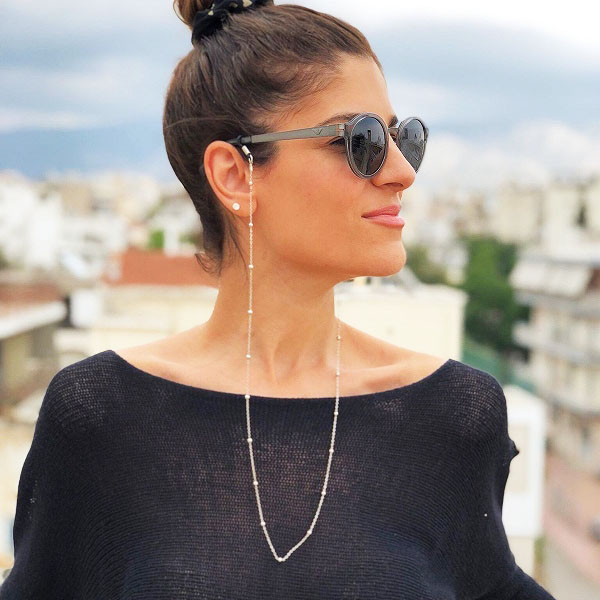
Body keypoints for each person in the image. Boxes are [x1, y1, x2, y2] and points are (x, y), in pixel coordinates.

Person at [0, 1, 558, 598]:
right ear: (235, 174)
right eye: (362, 140)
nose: (402, 172)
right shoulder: (100, 418)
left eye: (404, 138)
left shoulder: (453, 417)